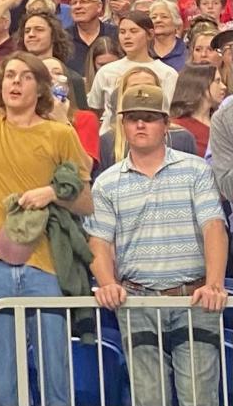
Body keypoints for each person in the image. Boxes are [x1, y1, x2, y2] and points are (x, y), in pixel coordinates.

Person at [0, 0, 93, 406]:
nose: (15, 82)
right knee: (4, 376)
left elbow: (85, 200)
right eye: (9, 75)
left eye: (25, 76)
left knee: (55, 373)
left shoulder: (59, 132)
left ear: (40, 87)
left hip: (46, 261)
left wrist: (51, 191)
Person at [85, 84, 228, 406]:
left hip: (194, 299)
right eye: (133, 118)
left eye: (149, 118)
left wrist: (215, 285)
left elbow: (214, 227)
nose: (140, 125)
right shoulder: (107, 182)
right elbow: (99, 241)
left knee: (199, 399)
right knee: (149, 399)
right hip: (136, 302)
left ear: (166, 124)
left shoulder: (196, 170)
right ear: (122, 124)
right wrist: (107, 284)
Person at [87, 11, 179, 134]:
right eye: (122, 32)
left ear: (150, 34)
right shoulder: (106, 71)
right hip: (111, 137)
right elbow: (95, 109)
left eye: (133, 31)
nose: (127, 37)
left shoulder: (167, 73)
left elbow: (169, 112)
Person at [169, 64, 227, 156]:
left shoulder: (223, 123)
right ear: (201, 84)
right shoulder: (178, 128)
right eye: (217, 81)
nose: (224, 87)